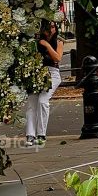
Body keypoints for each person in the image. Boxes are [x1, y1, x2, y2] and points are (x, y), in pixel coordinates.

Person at [25, 19, 63, 147]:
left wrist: (46, 45)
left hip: (52, 73)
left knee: (42, 101)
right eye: (48, 28)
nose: (51, 30)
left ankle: (41, 134)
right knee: (32, 103)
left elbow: (57, 58)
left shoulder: (58, 41)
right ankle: (30, 135)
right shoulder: (35, 42)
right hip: (36, 73)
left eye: (53, 27)